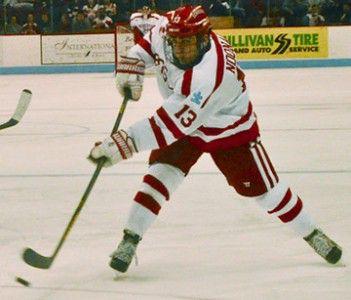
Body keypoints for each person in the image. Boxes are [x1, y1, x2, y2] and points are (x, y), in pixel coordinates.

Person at [88, 5, 342, 274]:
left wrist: (121, 145)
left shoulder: (214, 75)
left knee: (265, 192)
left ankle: (313, 233)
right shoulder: (165, 31)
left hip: (228, 129)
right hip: (183, 121)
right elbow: (147, 46)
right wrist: (132, 63)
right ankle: (129, 240)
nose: (181, 50)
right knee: (160, 174)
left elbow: (170, 126)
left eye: (188, 43)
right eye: (177, 43)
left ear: (204, 38)